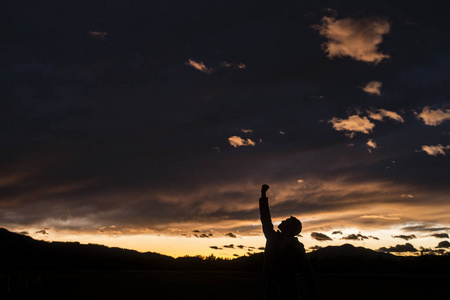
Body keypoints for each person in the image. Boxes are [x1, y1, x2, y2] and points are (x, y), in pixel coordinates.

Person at [259, 184, 317, 300]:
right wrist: (263, 196)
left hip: (290, 290)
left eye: (287, 221)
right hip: (271, 288)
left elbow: (308, 273)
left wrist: (312, 295)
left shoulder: (297, 247)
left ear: (291, 229)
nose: (282, 221)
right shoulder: (272, 237)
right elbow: (265, 218)